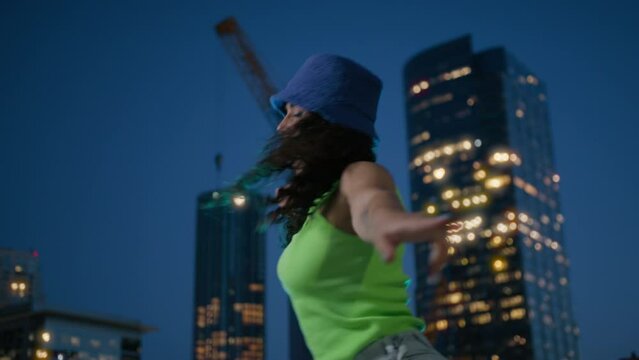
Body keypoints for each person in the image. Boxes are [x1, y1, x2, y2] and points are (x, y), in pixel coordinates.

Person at [238, 54, 456, 360]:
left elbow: (372, 204)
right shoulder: (319, 211)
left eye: (296, 114)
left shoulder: (359, 174)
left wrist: (389, 222)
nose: (281, 128)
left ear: (328, 128)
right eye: (284, 114)